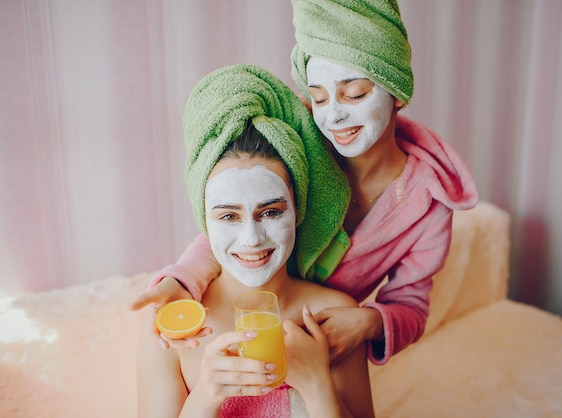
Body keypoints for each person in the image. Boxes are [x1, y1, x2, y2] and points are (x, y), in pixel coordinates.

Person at [130, 0, 478, 366]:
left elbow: (411, 305)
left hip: (321, 347)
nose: (335, 114)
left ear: (396, 90)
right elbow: (237, 218)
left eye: (355, 93)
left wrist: (370, 322)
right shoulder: (299, 142)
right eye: (318, 97)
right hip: (245, 324)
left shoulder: (429, 201)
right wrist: (185, 279)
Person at [137, 64, 374, 418]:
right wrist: (205, 396)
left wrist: (316, 385)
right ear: (205, 219)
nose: (251, 238)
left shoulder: (335, 316)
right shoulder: (173, 327)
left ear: (298, 209)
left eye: (271, 212)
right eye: (228, 216)